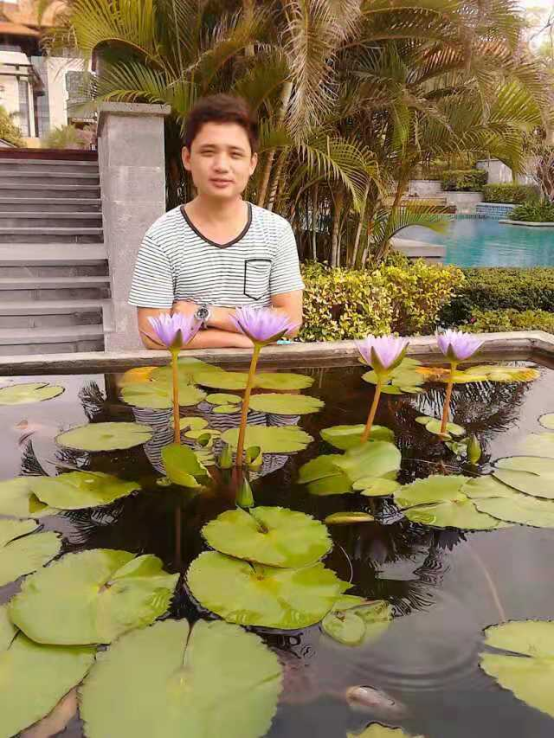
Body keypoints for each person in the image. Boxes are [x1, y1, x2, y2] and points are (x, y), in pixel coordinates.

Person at [129, 94, 304, 349]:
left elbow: (290, 320)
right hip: (186, 374)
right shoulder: (162, 237)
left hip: (262, 373)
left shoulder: (276, 231)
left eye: (235, 154)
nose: (221, 166)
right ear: (188, 158)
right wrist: (244, 342)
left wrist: (205, 313)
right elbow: (152, 335)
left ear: (252, 163)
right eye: (208, 152)